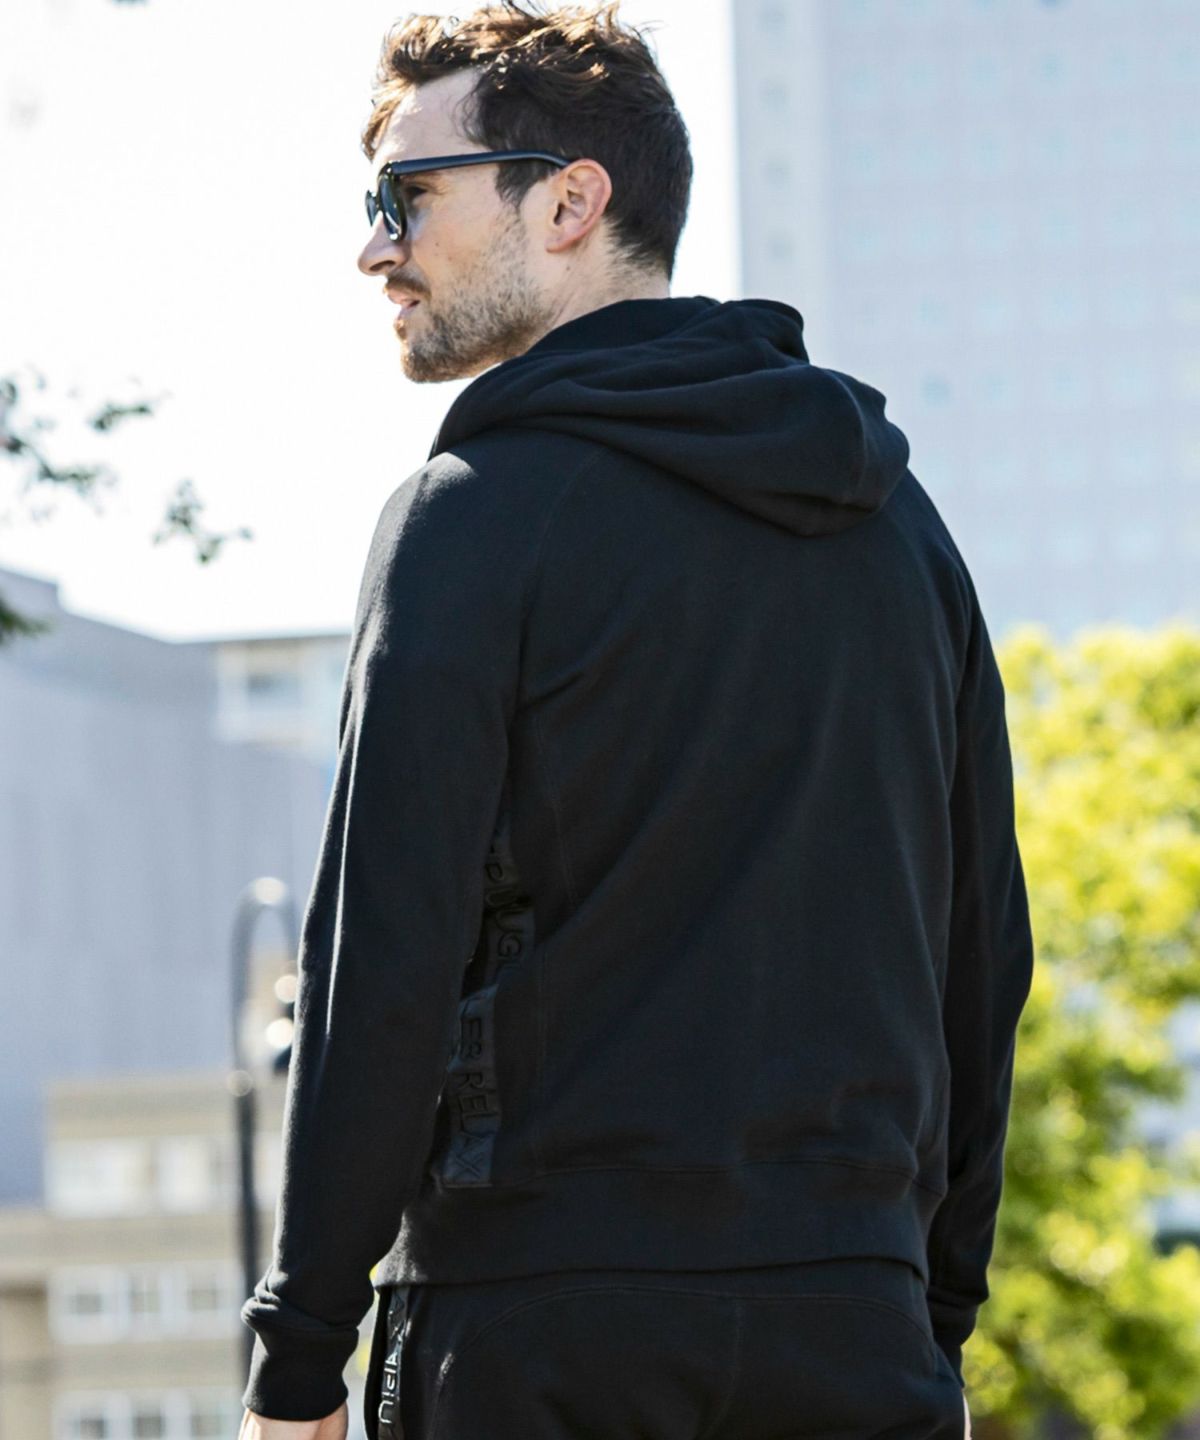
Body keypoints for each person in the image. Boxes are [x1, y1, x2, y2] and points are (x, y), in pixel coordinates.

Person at [237, 3, 1034, 1437]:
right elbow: (980, 960)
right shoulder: (901, 529)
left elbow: (383, 959)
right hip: (854, 1330)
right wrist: (931, 1319)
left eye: (407, 196)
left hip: (538, 1329)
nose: (375, 248)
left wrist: (298, 1362)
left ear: (568, 203)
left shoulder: (470, 520)